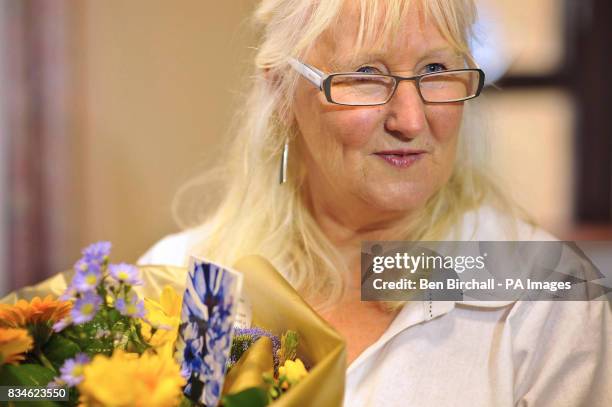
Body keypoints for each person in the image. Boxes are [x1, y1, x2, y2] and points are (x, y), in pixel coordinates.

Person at [138, 0, 611, 405]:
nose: (410, 119)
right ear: (281, 89)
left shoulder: (548, 297)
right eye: (366, 74)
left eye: (435, 70)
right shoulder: (186, 281)